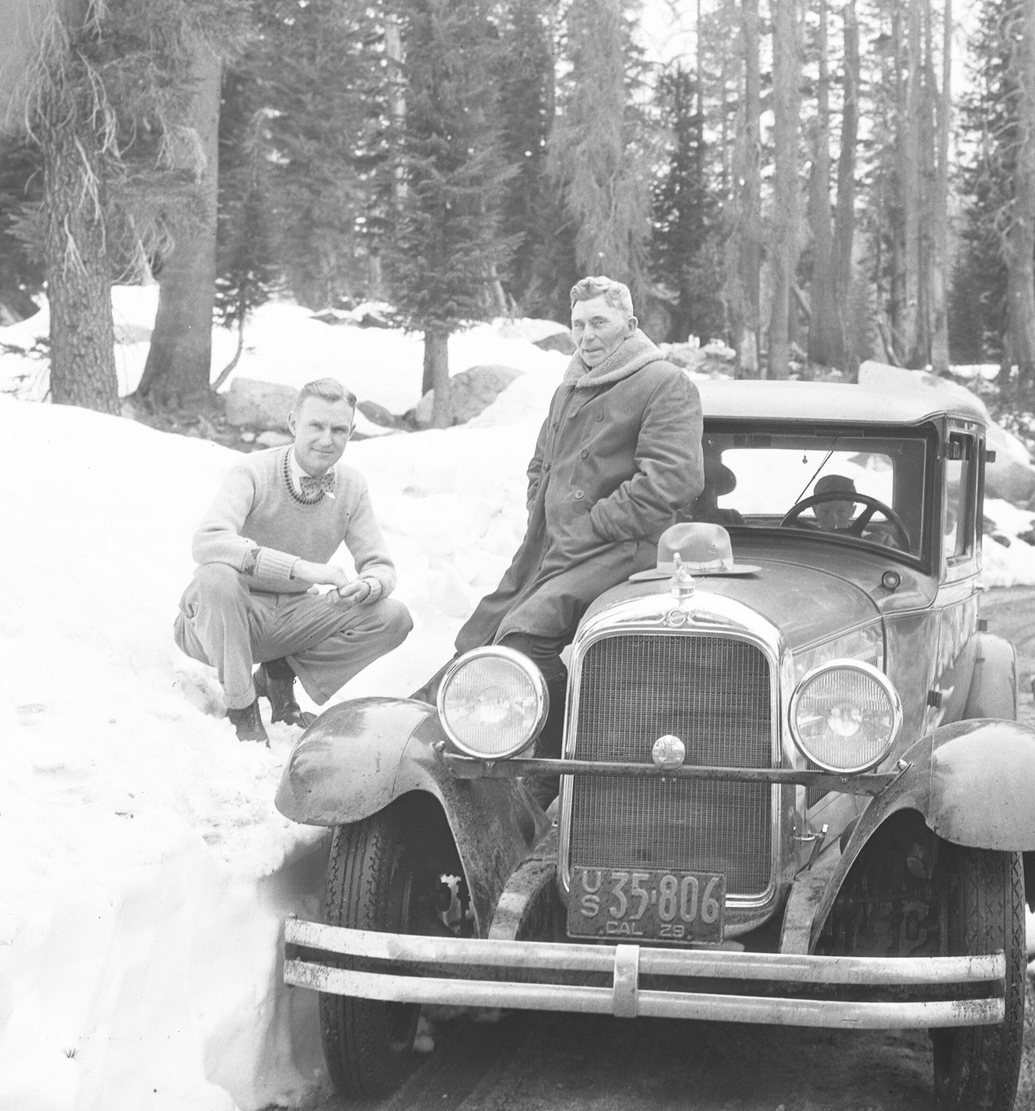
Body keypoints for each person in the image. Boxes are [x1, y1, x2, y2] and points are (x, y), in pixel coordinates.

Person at [447, 276, 704, 766]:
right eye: (578, 324)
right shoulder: (571, 385)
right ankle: (463, 750)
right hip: (553, 545)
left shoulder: (664, 383)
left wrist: (594, 523)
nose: (587, 335)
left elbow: (672, 482)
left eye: (599, 323)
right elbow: (541, 463)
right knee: (477, 640)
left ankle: (555, 766)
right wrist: (539, 509)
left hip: (622, 548)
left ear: (630, 326)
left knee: (524, 639)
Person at [176, 377, 413, 744]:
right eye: (315, 426)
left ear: (351, 432)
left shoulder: (352, 485)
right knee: (216, 577)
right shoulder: (252, 471)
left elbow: (380, 564)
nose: (326, 439)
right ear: (292, 424)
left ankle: (279, 672)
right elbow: (208, 541)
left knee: (393, 617)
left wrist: (369, 585)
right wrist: (298, 568)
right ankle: (241, 705)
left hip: (291, 618)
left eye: (338, 430)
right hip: (222, 618)